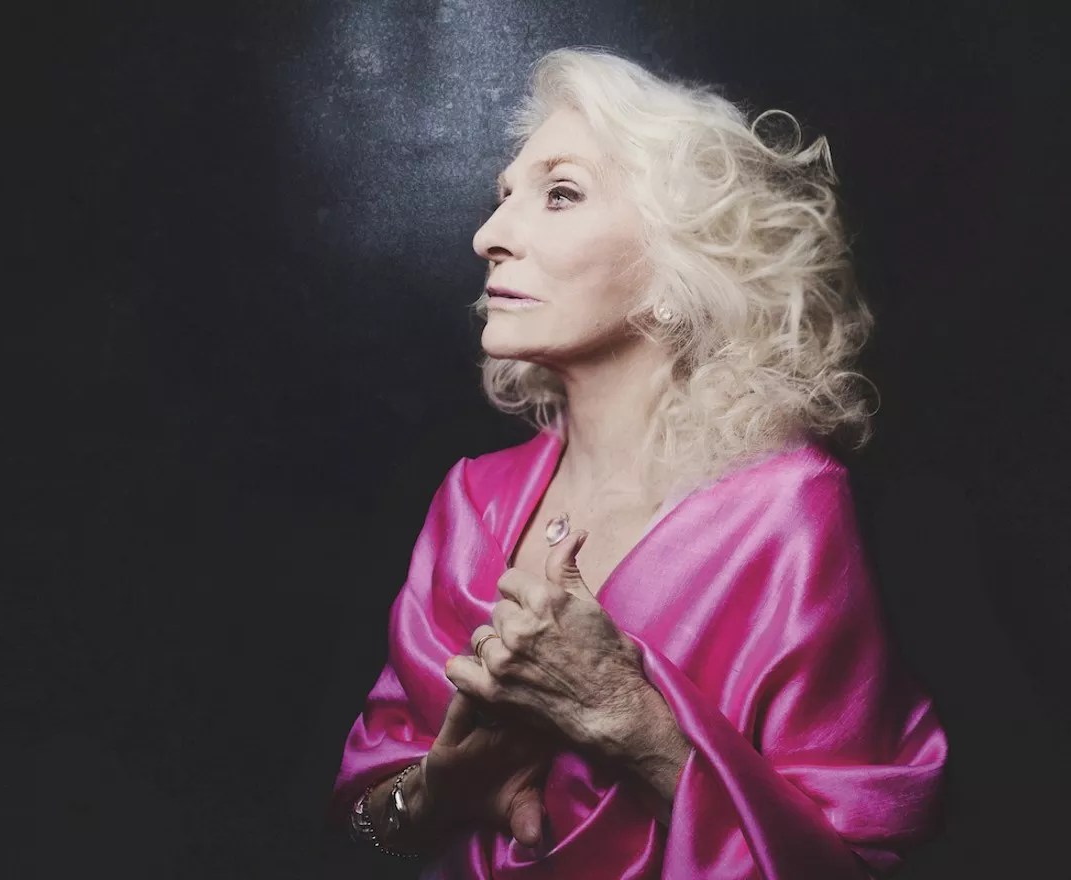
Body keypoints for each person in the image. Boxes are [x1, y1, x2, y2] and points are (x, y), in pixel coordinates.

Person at [330, 46, 948, 879]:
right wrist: (438, 793)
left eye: (561, 194)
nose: (489, 236)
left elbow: (851, 862)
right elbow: (366, 817)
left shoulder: (788, 513)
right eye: (504, 198)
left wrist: (627, 717)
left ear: (675, 263)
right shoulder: (474, 500)